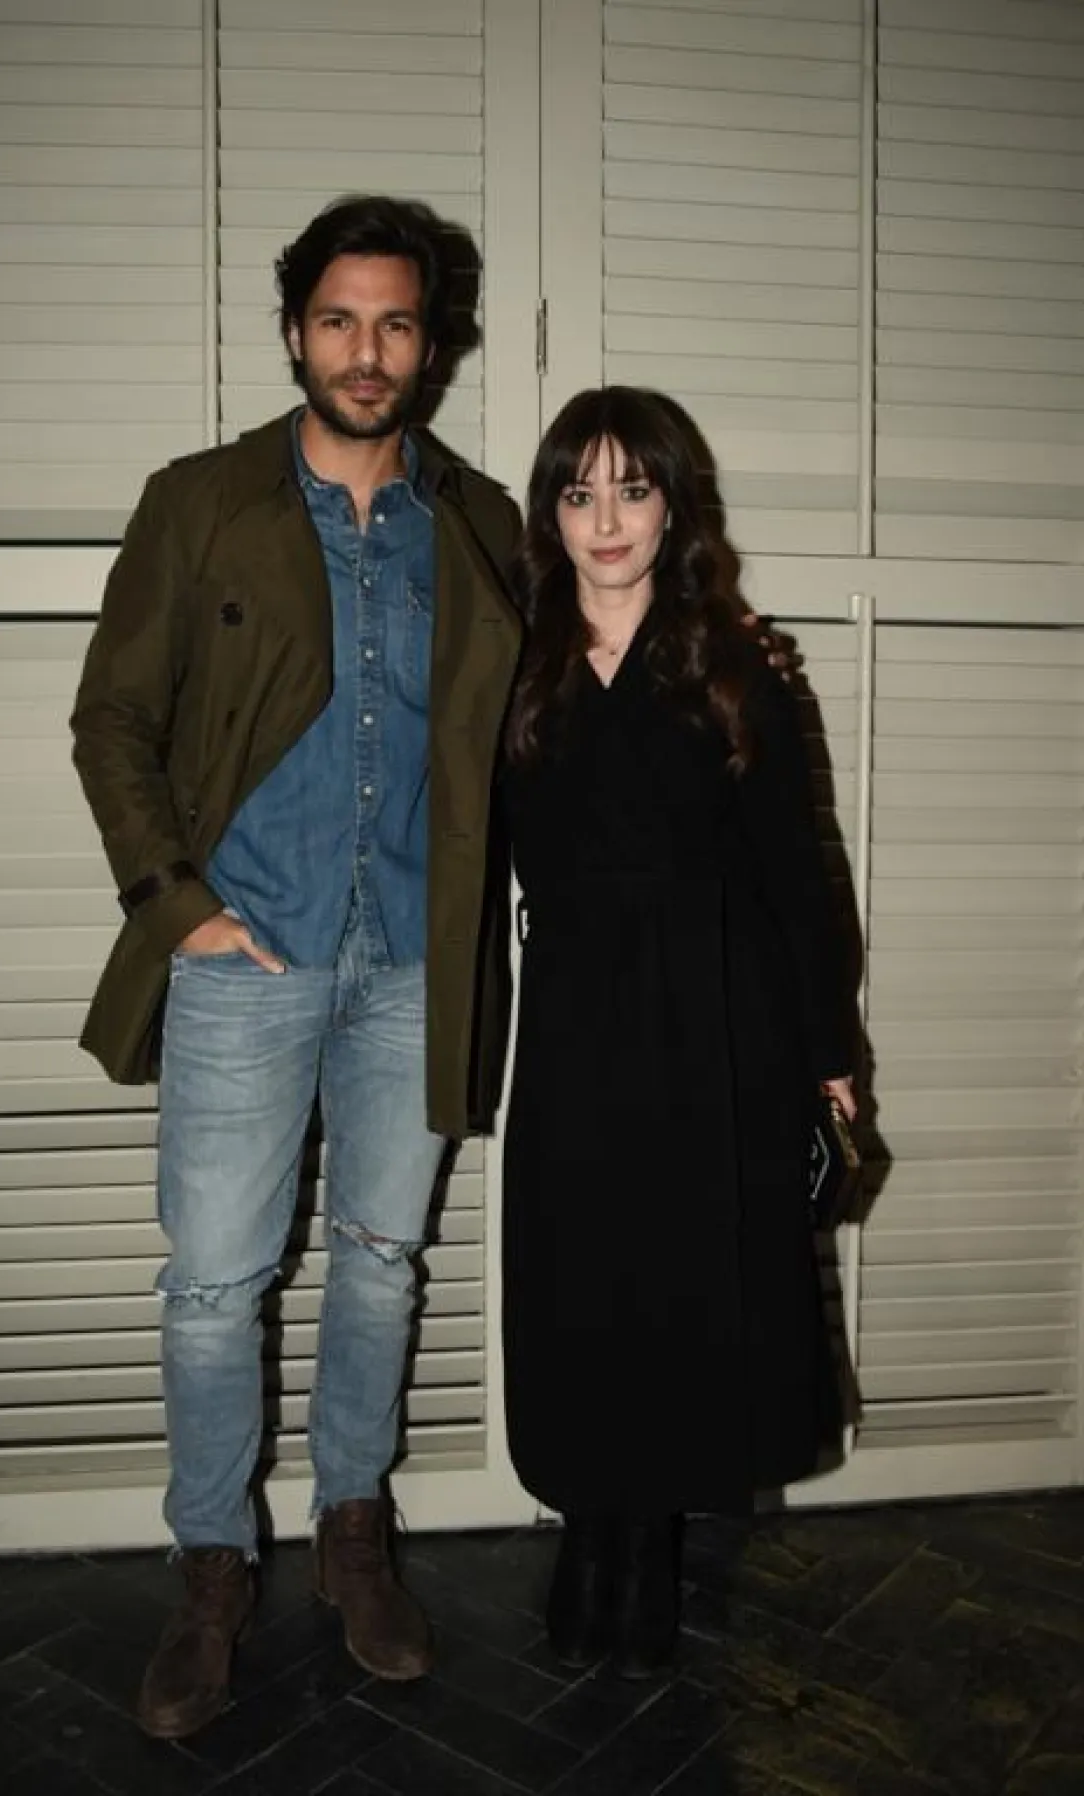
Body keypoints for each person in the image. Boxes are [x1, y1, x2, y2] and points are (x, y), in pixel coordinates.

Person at [69, 195, 523, 1739]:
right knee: (215, 1287)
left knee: (383, 1263)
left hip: (413, 962)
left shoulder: (480, 523)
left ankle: (354, 1537)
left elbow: (528, 730)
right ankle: (212, 1573)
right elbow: (113, 719)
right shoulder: (199, 503)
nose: (366, 350)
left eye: (395, 322)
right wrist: (177, 905)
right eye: (339, 320)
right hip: (246, 958)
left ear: (432, 344)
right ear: (294, 332)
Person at [499, 386, 858, 1679]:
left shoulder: (736, 666)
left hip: (717, 1019)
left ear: (673, 506)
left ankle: (645, 1546)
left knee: (682, 1285)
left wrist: (829, 1056)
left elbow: (798, 879)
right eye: (579, 491)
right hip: (576, 1019)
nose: (607, 520)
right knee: (581, 1280)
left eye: (633, 489)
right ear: (550, 513)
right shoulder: (512, 662)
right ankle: (589, 1527)